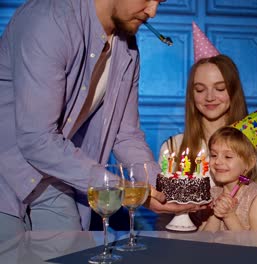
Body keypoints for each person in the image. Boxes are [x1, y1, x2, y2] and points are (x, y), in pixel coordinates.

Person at [0, 0, 198, 240]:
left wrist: (163, 188)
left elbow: (126, 135)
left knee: (69, 252)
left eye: (160, 1)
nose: (153, 11)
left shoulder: (127, 49)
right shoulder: (48, 22)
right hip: (7, 170)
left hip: (52, 174)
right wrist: (119, 188)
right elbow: (37, 139)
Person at [156, 23, 257, 229]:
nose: (210, 97)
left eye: (219, 88)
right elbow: (163, 218)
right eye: (200, 89)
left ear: (233, 91)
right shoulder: (173, 148)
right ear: (191, 95)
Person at [199, 101, 257, 231]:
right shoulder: (211, 195)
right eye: (213, 155)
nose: (217, 162)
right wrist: (215, 215)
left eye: (228, 156)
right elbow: (202, 242)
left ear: (249, 163)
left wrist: (229, 216)